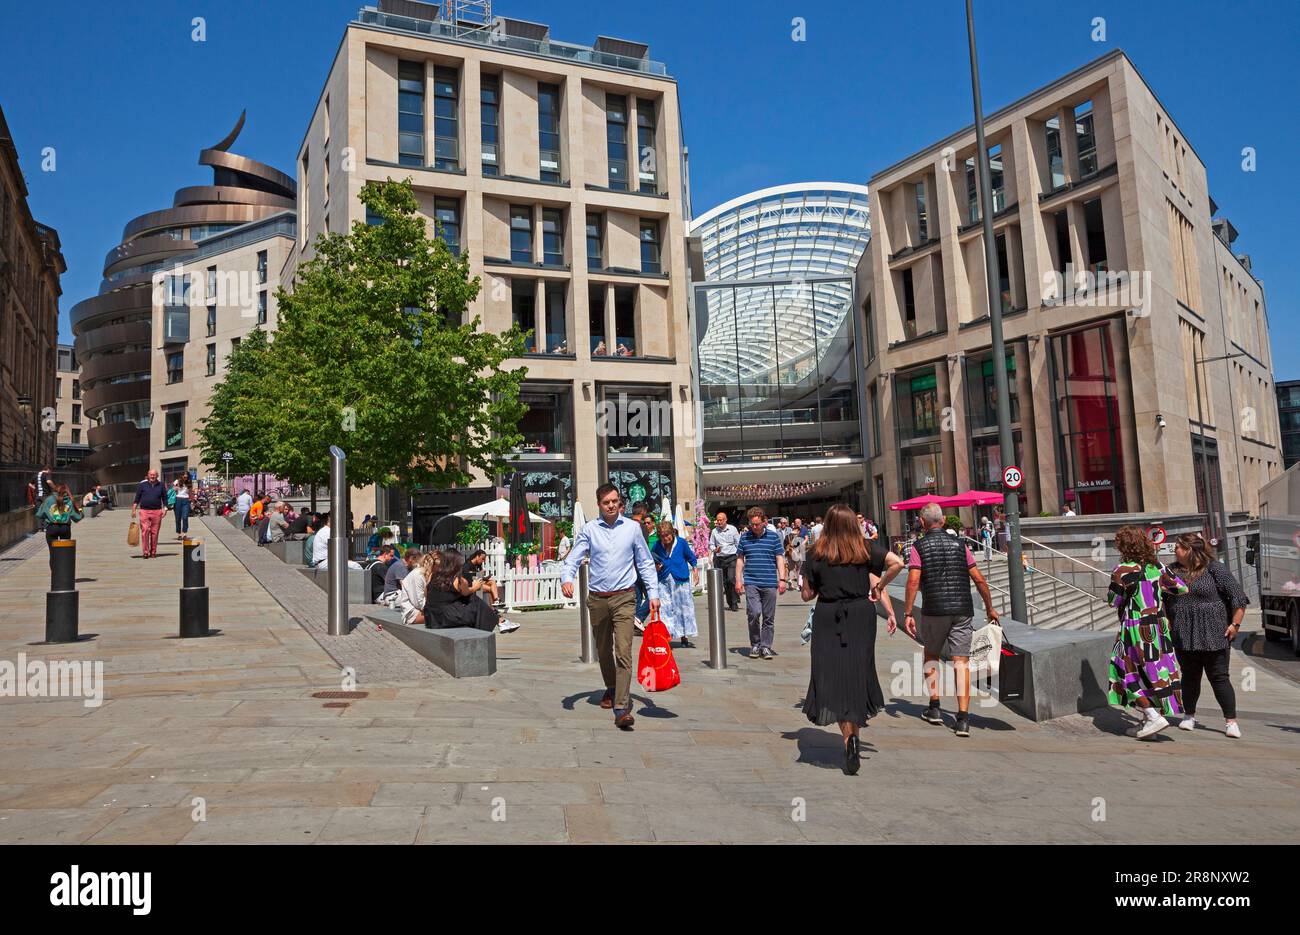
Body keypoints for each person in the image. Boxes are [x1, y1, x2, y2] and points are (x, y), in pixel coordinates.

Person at [801, 503, 902, 775]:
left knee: (832, 675)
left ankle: (849, 737)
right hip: (860, 615)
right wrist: (879, 586)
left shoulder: (816, 552)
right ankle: (853, 736)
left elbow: (807, 595)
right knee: (857, 671)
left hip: (828, 615)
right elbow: (897, 562)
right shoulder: (865, 549)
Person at [561, 483, 660, 730]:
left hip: (625, 597)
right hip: (597, 598)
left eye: (615, 501)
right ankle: (613, 687)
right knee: (603, 650)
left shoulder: (633, 529)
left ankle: (621, 707)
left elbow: (646, 562)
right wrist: (566, 579)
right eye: (606, 502)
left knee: (623, 651)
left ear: (620, 502)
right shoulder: (589, 530)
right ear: (599, 505)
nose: (611, 505)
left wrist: (654, 594)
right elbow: (573, 558)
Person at [900, 502, 1000, 737]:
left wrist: (907, 613)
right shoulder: (960, 544)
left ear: (922, 523)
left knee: (931, 655)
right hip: (962, 610)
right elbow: (979, 579)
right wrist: (990, 608)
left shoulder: (919, 546)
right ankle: (963, 719)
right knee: (961, 662)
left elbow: (913, 580)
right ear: (943, 521)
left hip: (934, 610)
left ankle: (935, 707)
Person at [1106, 525, 1188, 740]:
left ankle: (1152, 715)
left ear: (1124, 546)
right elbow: (1181, 587)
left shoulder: (1122, 570)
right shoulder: (1157, 567)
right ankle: (1148, 723)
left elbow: (1113, 601)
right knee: (1154, 672)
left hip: (1135, 627)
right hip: (1158, 627)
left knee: (1124, 671)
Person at [1166, 533, 1246, 738]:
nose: (1175, 550)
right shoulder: (1171, 571)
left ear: (1190, 550)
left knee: (1219, 678)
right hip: (1184, 634)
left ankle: (1231, 722)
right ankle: (1189, 716)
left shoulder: (1214, 568)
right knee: (1189, 678)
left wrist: (1235, 624)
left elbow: (1238, 596)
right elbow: (1161, 599)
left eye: (1178, 547)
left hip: (1214, 633)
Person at [425, 549, 518, 633]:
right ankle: (498, 621)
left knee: (466, 600)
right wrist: (476, 586)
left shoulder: (432, 576)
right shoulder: (458, 579)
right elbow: (468, 592)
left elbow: (426, 595)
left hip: (431, 617)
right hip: (447, 617)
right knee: (472, 599)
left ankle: (499, 621)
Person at [736, 506, 787, 659]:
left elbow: (779, 558)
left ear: (764, 522)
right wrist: (738, 580)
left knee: (768, 617)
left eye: (757, 524)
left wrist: (782, 579)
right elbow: (740, 559)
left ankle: (766, 646)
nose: (754, 527)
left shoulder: (773, 537)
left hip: (770, 581)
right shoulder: (744, 537)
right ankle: (755, 643)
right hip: (751, 581)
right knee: (754, 613)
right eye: (752, 524)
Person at [652, 519, 698, 648]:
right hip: (663, 580)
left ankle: (684, 636)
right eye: (662, 536)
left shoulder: (681, 543)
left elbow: (691, 557)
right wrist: (656, 566)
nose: (665, 538)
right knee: (665, 608)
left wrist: (695, 571)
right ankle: (667, 636)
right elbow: (652, 560)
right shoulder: (656, 545)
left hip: (680, 579)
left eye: (667, 535)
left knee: (683, 607)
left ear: (672, 533)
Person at [35, 484, 83, 569]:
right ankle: (64, 573)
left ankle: (55, 574)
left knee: (53, 553)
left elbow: (39, 514)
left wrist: (49, 517)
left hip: (52, 527)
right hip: (65, 528)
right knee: (65, 553)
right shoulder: (69, 500)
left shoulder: (48, 499)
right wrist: (80, 510)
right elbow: (77, 517)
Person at [132, 469, 169, 559]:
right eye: (151, 475)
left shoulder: (161, 485)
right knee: (145, 531)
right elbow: (137, 498)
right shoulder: (142, 485)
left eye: (154, 475)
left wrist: (165, 509)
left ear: (157, 476)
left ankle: (153, 552)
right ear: (148, 475)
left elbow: (165, 498)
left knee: (154, 532)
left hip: (157, 512)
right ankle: (145, 552)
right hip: (144, 511)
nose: (152, 476)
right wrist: (134, 509)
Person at [710, 511, 741, 612]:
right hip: (719, 558)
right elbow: (711, 544)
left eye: (721, 520)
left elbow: (738, 543)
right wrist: (715, 549)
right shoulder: (714, 531)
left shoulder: (732, 529)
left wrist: (740, 556)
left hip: (731, 557)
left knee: (731, 579)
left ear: (725, 520)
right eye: (717, 520)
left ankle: (735, 601)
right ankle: (730, 601)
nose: (719, 522)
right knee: (724, 582)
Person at [396, 551, 438, 626]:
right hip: (413, 613)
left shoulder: (425, 574)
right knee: (444, 616)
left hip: (422, 609)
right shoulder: (418, 575)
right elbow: (419, 603)